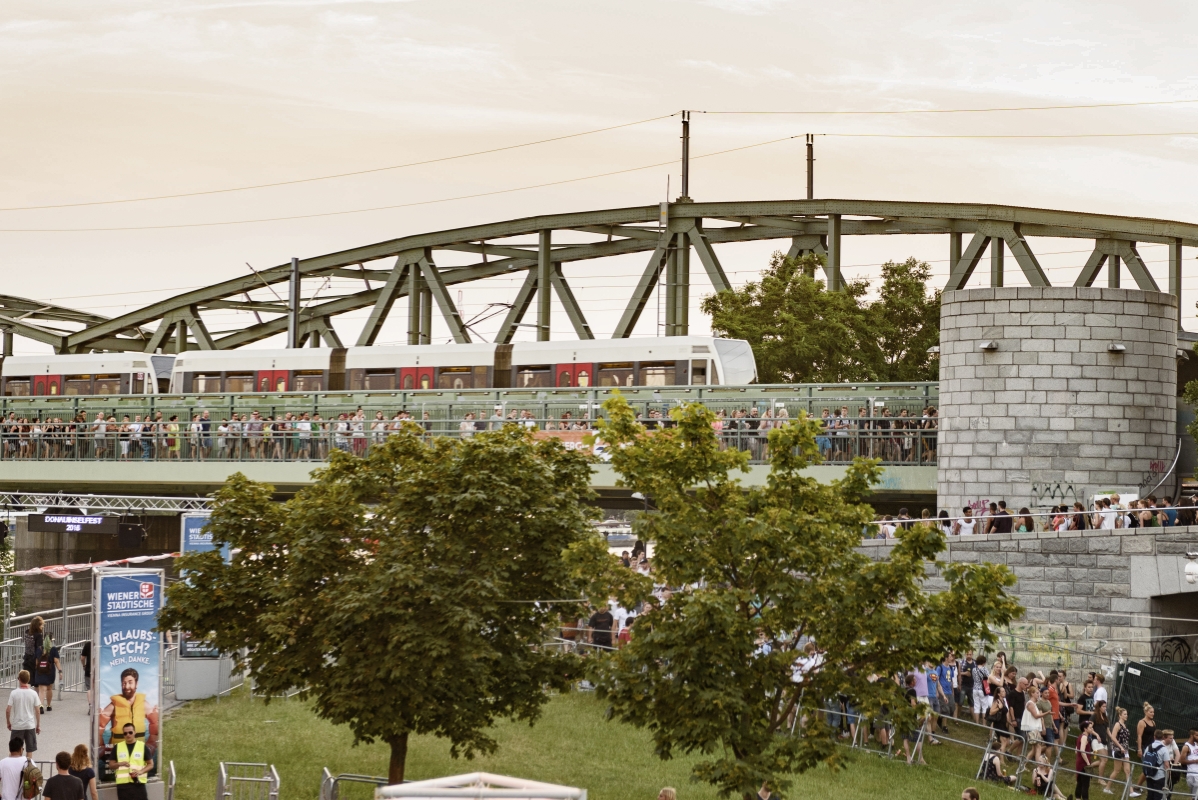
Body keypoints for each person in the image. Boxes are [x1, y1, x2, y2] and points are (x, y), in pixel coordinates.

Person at [98, 668, 159, 743]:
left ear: (136, 684)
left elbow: (156, 726)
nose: (126, 687)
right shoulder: (113, 706)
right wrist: (103, 747)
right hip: (118, 750)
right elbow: (98, 727)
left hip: (138, 751)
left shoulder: (144, 705)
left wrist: (150, 746)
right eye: (124, 683)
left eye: (130, 683)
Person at [107, 723, 153, 800]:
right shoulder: (117, 747)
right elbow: (111, 765)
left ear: (134, 732)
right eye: (125, 733)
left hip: (138, 784)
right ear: (123, 735)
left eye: (130, 732)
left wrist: (141, 771)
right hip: (123, 786)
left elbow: (150, 764)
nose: (128, 735)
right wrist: (119, 764)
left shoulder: (142, 746)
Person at [5, 670, 39, 757]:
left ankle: (15, 766)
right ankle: (28, 768)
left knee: (15, 749)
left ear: (19, 679)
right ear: (28, 679)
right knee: (29, 749)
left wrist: (8, 722)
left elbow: (8, 710)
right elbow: (37, 710)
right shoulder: (33, 693)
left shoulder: (14, 693)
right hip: (29, 725)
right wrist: (38, 725)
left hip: (17, 725)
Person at [1143, 729, 1172, 800]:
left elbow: (1144, 758)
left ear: (1154, 737)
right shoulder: (1164, 749)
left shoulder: (1148, 747)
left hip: (1149, 774)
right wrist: (1168, 778)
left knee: (1150, 795)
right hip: (1159, 775)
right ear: (1162, 737)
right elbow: (1166, 765)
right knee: (1158, 796)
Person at [33, 636, 60, 711]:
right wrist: (60, 671)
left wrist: (37, 669)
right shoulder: (53, 649)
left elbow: (36, 661)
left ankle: (41, 705)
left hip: (40, 671)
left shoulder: (39, 649)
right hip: (50, 671)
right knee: (49, 688)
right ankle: (48, 705)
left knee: (41, 689)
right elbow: (56, 661)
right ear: (51, 640)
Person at [0, 736, 30, 800]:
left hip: (6, 798)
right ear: (20, 749)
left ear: (10, 749)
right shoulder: (28, 761)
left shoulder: (2, 763)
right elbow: (33, 779)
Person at [1076, 718, 1096, 800]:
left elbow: (1076, 750)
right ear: (1085, 729)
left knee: (1080, 783)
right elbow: (1081, 750)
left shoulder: (1080, 737)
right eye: (1090, 728)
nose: (1092, 729)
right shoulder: (1084, 737)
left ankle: (1077, 798)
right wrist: (1088, 763)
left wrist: (1089, 753)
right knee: (1085, 784)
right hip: (1084, 764)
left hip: (1079, 762)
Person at [1181, 729, 1198, 800]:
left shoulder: (1196, 745)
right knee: (1194, 796)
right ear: (1191, 736)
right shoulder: (1186, 747)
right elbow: (1182, 761)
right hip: (1192, 773)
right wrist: (1195, 761)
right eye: (1197, 735)